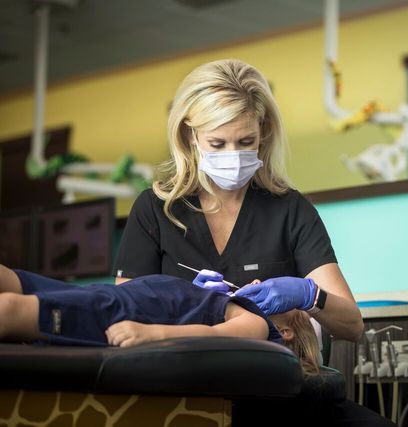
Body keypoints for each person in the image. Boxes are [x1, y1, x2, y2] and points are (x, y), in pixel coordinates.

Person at [112, 58, 393, 426]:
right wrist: (185, 304)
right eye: (217, 143)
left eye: (246, 142)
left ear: (264, 133)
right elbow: (121, 315)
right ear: (190, 136)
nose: (232, 155)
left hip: (279, 394)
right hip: (188, 397)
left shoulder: (290, 210)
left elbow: (352, 326)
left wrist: (310, 295)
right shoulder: (156, 210)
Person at [0, 265, 320, 375]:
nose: (259, 284)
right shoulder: (234, 305)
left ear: (287, 331)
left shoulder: (260, 326)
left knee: (11, 310)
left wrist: (152, 334)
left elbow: (208, 336)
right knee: (16, 282)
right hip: (130, 299)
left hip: (133, 312)